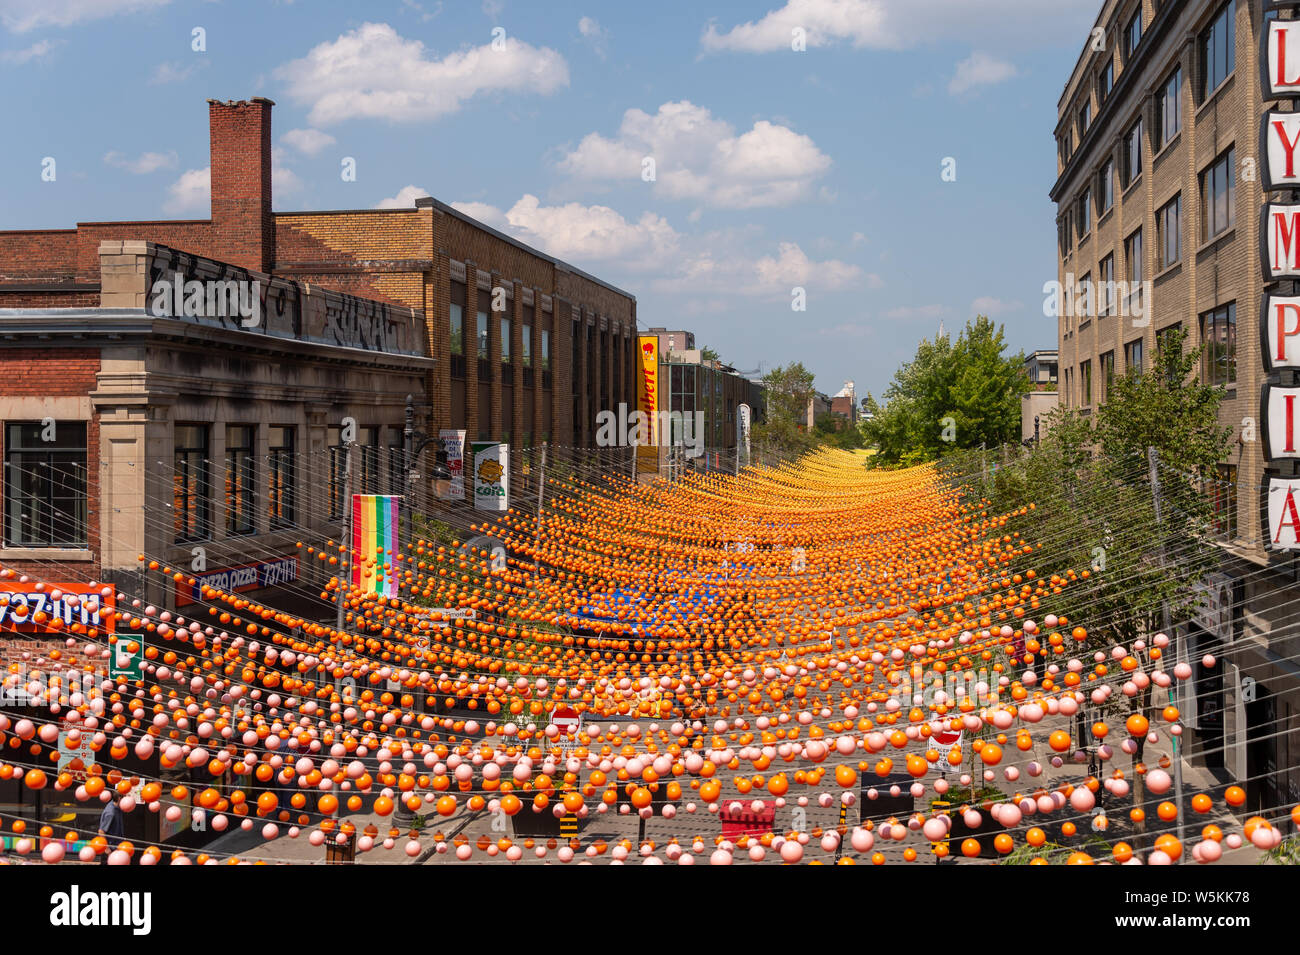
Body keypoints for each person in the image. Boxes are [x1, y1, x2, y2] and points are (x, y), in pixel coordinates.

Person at [97, 789, 124, 864]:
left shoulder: (117, 808)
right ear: (119, 799)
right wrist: (106, 848)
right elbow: (101, 831)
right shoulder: (111, 812)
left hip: (116, 847)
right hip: (110, 849)